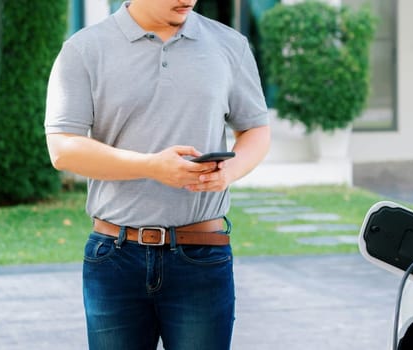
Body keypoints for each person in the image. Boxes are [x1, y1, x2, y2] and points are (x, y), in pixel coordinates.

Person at [43, 0, 270, 348]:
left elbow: (256, 130)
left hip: (202, 255)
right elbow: (63, 148)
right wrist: (152, 166)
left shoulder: (230, 45)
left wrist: (230, 170)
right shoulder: (83, 49)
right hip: (114, 257)